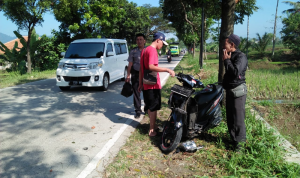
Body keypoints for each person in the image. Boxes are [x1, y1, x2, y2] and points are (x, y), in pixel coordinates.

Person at [138, 32, 175, 137]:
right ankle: (152, 130)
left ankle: (152, 126)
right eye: (162, 43)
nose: (162, 45)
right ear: (158, 40)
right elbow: (151, 66)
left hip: (146, 83)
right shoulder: (153, 50)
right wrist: (167, 69)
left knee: (150, 106)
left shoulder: (144, 50)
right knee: (153, 107)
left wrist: (140, 83)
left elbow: (141, 69)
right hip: (153, 85)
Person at [222, 34, 248, 151]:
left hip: (238, 92)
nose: (223, 45)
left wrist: (227, 61)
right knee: (230, 117)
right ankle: (233, 140)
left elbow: (235, 72)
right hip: (230, 90)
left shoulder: (241, 57)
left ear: (232, 44)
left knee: (238, 119)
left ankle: (240, 145)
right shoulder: (229, 55)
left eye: (226, 43)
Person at [125, 33, 147, 119]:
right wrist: (128, 75)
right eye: (137, 39)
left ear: (144, 41)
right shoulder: (133, 51)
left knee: (146, 92)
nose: (139, 41)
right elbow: (130, 64)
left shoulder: (148, 50)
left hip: (146, 75)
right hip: (136, 74)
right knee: (136, 93)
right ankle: (138, 110)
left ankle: (147, 108)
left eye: (141, 39)